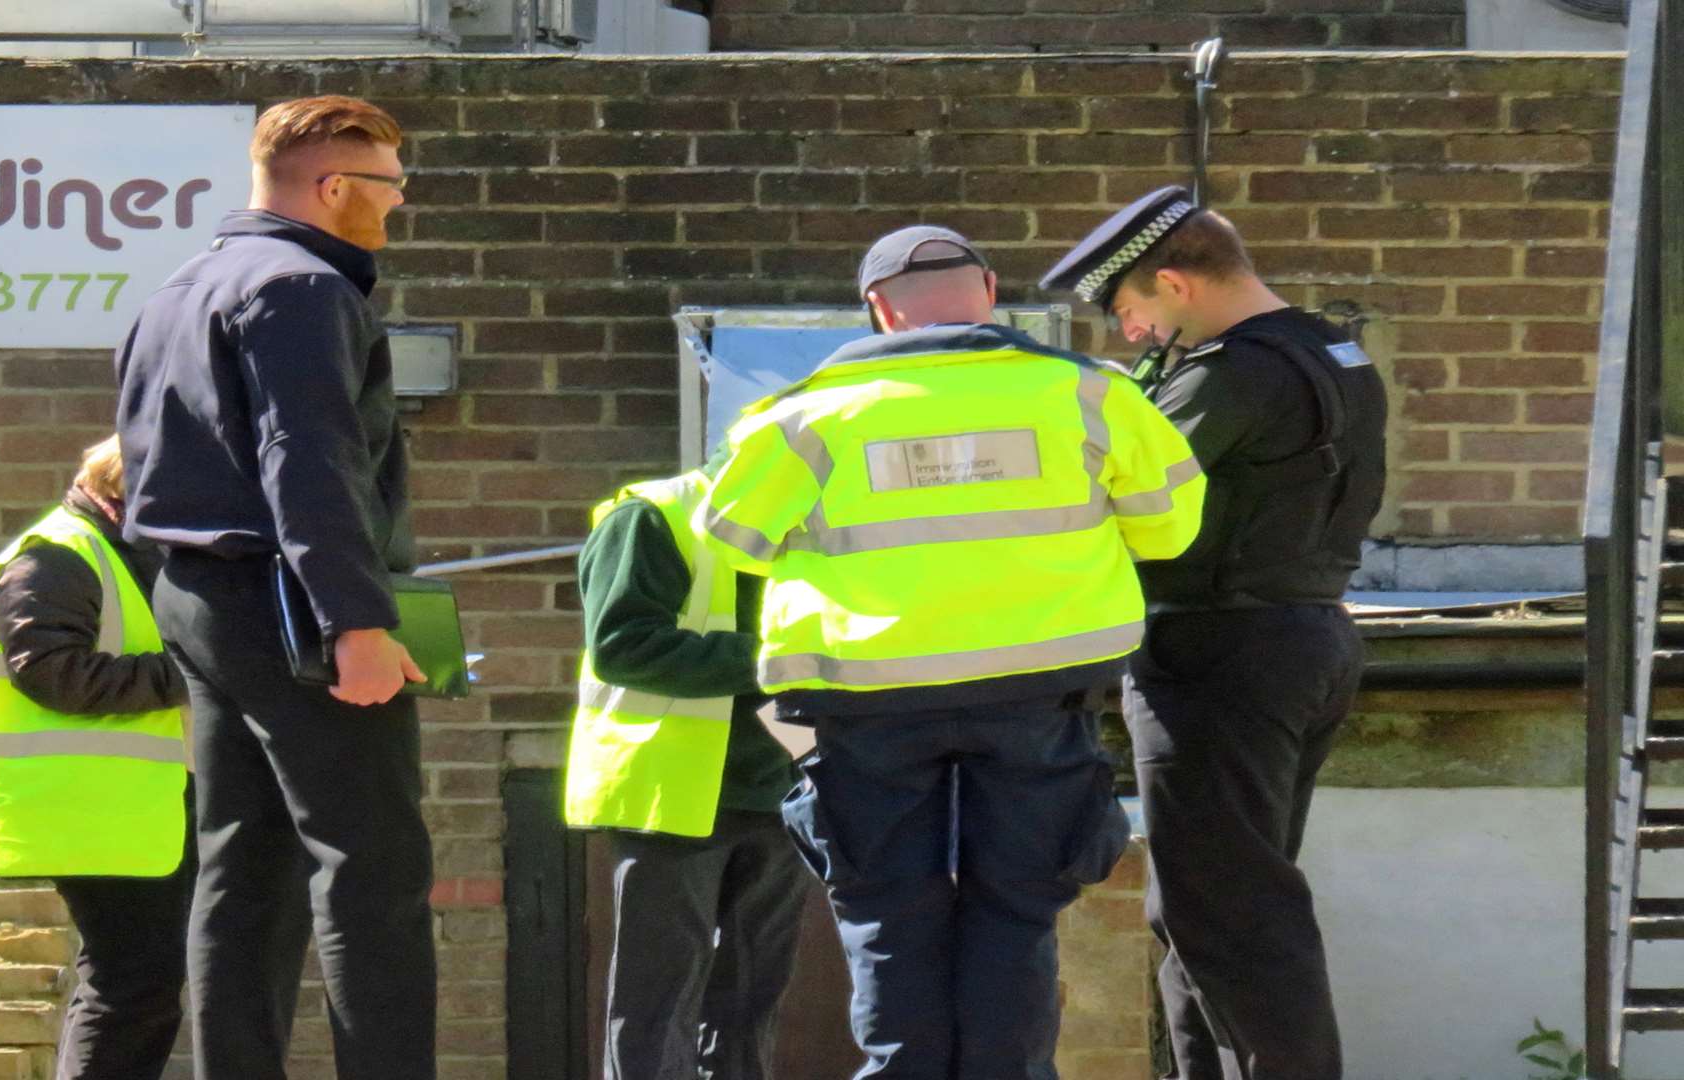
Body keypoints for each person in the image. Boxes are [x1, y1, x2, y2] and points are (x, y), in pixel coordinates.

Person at [694, 225, 1206, 1079]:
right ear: (990, 290)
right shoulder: (1092, 396)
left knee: (891, 918)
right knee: (1016, 915)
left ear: (878, 309)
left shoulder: (803, 415)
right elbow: (1172, 526)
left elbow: (733, 538)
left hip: (868, 703)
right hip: (1036, 698)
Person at [112, 95, 432, 1080]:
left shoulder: (176, 291)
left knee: (242, 866)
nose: (399, 204)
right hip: (291, 607)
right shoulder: (303, 290)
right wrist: (356, 622)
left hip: (197, 599)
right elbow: (310, 458)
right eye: (389, 184)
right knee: (370, 869)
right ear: (333, 187)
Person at [1042, 185, 1389, 1080]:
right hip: (1304, 637)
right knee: (1193, 908)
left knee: (1232, 914)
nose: (1130, 335)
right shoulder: (1332, 349)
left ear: (1174, 282)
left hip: (1218, 658)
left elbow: (1120, 495)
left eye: (1129, 310)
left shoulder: (1231, 373)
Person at [565, 465, 810, 1079]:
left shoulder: (812, 526)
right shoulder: (654, 515)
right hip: (670, 796)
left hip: (780, 789)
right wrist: (774, 660)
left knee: (750, 1005)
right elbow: (623, 645)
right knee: (658, 1005)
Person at [0, 434, 193, 1080]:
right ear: (125, 492)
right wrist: (188, 672)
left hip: (135, 814)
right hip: (93, 813)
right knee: (131, 986)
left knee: (138, 987)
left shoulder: (121, 550)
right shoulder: (55, 556)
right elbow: (51, 674)